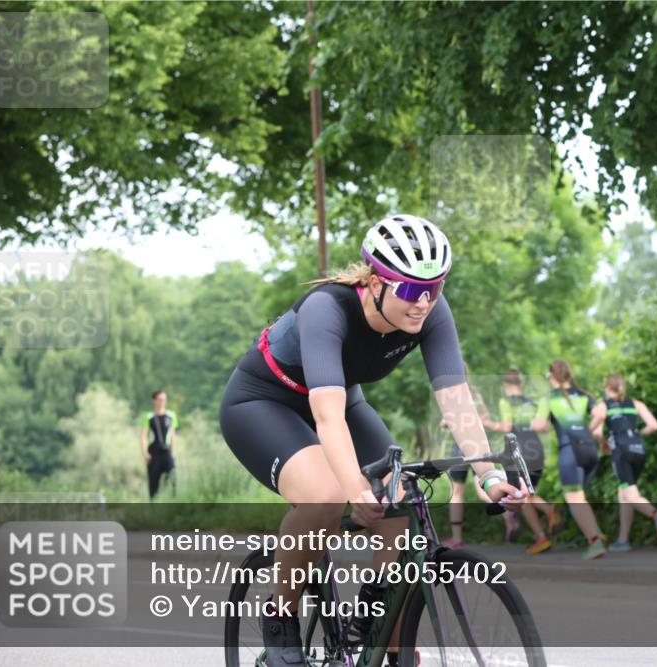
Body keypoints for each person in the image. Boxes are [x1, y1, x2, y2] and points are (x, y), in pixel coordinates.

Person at [218, 215, 527, 667]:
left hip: (344, 404)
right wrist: (355, 487)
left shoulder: (430, 312)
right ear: (376, 282)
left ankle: (378, 630)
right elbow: (326, 415)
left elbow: (456, 397)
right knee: (326, 494)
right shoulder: (327, 309)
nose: (422, 303)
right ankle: (280, 618)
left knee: (402, 503)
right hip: (264, 404)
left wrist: (490, 472)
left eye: (434, 288)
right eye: (408, 290)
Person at [538, 359, 607, 559]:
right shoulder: (584, 395)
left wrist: (537, 424)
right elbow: (601, 414)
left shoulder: (548, 398)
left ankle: (595, 541)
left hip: (569, 451)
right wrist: (589, 429)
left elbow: (540, 424)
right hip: (589, 450)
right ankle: (597, 533)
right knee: (580, 497)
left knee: (574, 499)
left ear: (551, 376)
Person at [595, 373, 657, 551]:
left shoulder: (604, 406)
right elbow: (654, 425)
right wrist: (638, 435)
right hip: (639, 449)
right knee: (624, 492)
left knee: (630, 493)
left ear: (607, 388)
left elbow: (597, 432)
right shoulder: (636, 404)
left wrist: (603, 444)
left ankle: (655, 514)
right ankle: (623, 540)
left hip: (621, 451)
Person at [493, 369, 561, 555]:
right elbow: (544, 428)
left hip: (519, 452)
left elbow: (507, 426)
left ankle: (546, 520)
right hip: (536, 450)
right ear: (521, 384)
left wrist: (488, 423)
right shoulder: (531, 403)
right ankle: (544, 529)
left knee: (521, 495)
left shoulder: (505, 401)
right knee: (529, 494)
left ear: (505, 385)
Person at [440, 362, 497, 549]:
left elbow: (446, 422)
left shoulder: (450, 394)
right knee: (484, 487)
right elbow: (486, 419)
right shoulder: (475, 394)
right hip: (478, 445)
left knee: (457, 492)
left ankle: (457, 539)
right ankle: (507, 511)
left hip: (459, 447)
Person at [139, 390, 177, 499]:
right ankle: (154, 506)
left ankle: (173, 504)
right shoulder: (148, 417)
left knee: (172, 479)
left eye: (164, 400)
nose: (162, 402)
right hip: (154, 453)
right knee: (153, 483)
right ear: (154, 401)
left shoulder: (171, 416)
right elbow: (143, 436)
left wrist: (173, 454)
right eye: (160, 399)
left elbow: (173, 435)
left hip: (167, 452)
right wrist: (145, 454)